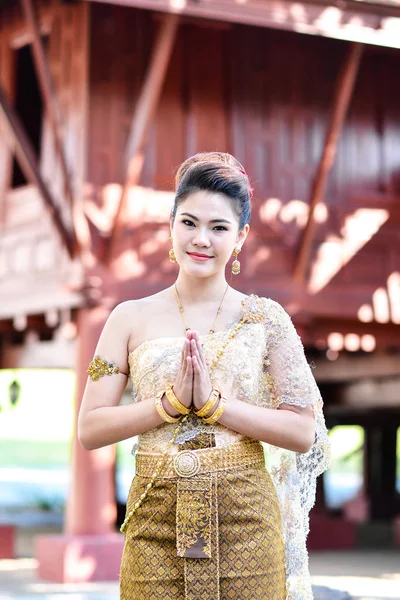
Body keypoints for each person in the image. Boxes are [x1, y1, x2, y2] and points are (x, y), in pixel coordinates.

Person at [78, 152, 330, 600]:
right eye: (189, 223)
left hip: (246, 519)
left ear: (241, 237)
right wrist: (168, 405)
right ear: (170, 224)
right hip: (154, 516)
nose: (201, 239)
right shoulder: (128, 318)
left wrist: (216, 406)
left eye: (219, 228)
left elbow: (302, 431)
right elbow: (91, 428)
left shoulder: (266, 320)